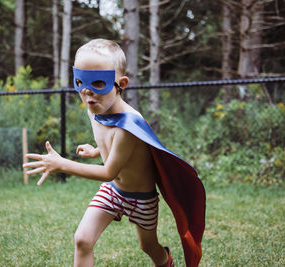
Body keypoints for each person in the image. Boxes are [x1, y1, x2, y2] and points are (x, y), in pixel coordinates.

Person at [23, 39, 205, 267]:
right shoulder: (95, 108)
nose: (88, 93)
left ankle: (165, 260)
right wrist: (97, 150)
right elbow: (116, 151)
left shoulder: (129, 125)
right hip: (113, 191)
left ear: (121, 84)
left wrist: (62, 164)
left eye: (98, 83)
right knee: (82, 240)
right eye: (80, 82)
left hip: (142, 200)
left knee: (148, 246)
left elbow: (109, 170)